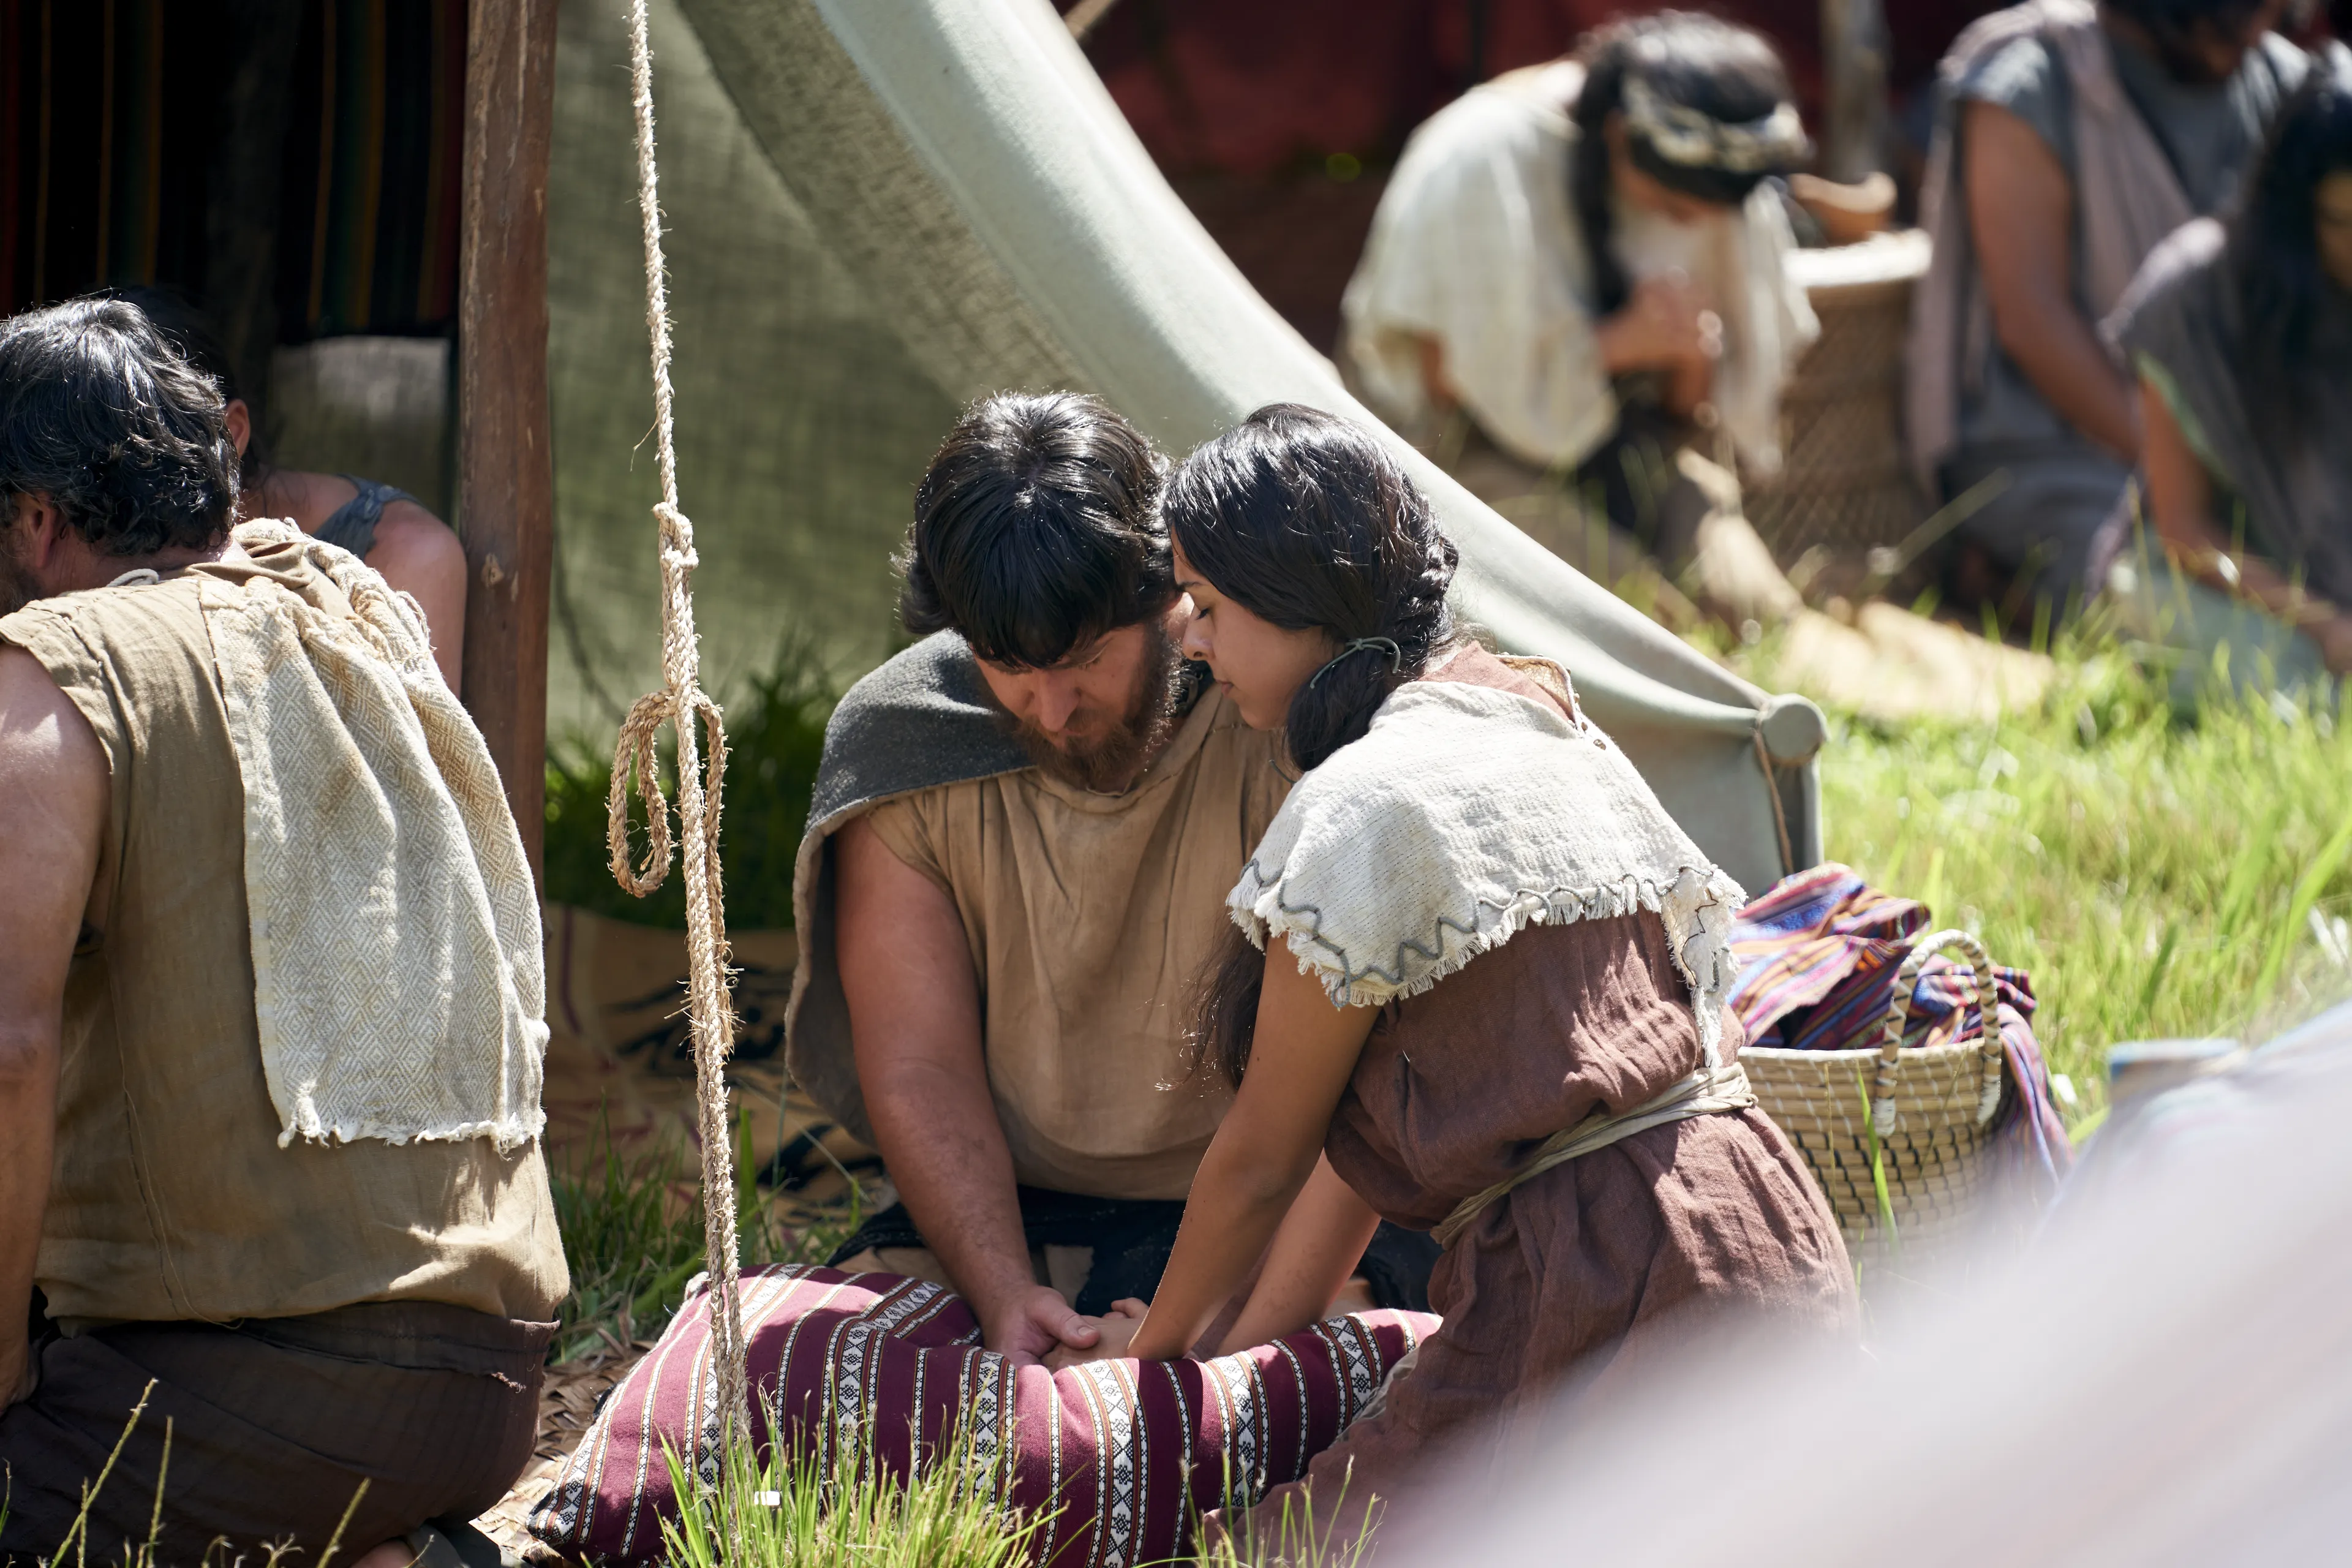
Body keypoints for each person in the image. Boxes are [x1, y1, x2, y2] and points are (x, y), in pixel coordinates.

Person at [1058, 405, 1855, 1545]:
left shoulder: (1360, 809)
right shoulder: (1526, 711)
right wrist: (1229, 1354)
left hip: (1607, 1279)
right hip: (1762, 1229)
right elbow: (1346, 1173)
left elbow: (1263, 1162)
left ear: (1300, 604)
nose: (1191, 640)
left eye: (1212, 605)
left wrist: (1149, 1360)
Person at [0, 298, 564, 1562]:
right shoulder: (353, 613)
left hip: (249, 1391)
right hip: (488, 1395)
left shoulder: (59, 663)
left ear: (35, 521)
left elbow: (7, 1051)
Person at [783, 392, 1438, 1370]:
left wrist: (1224, 1331)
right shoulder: (900, 748)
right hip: (1028, 1211)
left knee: (1332, 1351)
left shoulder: (1287, 710)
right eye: (1007, 666)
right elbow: (921, 1068)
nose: (1053, 710)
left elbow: (1368, 1088)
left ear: (1169, 591)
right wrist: (1005, 1294)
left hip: (1289, 1196)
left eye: (1088, 659)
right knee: (868, 1361)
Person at [1342, 12, 1816, 628]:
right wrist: (1621, 343)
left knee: (1758, 613)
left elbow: (1682, 420)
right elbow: (1446, 383)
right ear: (1618, 137)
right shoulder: (1481, 160)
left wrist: (1688, 358)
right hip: (1461, 463)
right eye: (1671, 208)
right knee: (1647, 626)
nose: (1688, 228)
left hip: (1623, 450)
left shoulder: (1718, 188)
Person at [1907, 0, 2310, 615]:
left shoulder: (2287, 85)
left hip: (2250, 455)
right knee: (2185, 612)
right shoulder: (2030, 84)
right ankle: (2003, 579)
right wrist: (2195, 472)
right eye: (2242, 15)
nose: (2260, 32)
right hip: (2061, 452)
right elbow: (2034, 324)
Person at [2102, 51, 2352, 702]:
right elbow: (2186, 530)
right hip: (2234, 589)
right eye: (2344, 222)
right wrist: (2326, 624)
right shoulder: (2194, 303)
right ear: (2295, 211)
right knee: (2287, 688)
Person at [107, 287, 469, 689]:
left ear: (229, 437)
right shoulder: (96, 544)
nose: (115, 502)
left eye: (142, 458)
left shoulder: (405, 556)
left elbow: (418, 729)